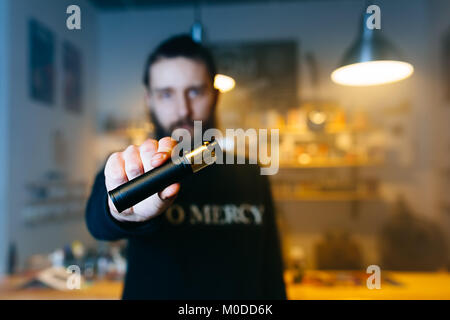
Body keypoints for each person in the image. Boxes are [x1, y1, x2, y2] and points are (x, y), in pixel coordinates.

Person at [85, 34, 286, 299]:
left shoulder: (252, 173)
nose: (183, 110)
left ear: (214, 96)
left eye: (195, 92)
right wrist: (122, 212)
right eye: (166, 93)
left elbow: (270, 269)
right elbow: (98, 219)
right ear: (149, 100)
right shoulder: (131, 169)